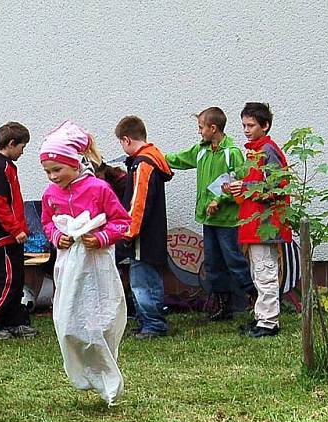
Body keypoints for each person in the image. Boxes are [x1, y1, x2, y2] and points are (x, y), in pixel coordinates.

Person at [39, 121, 132, 405]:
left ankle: (107, 376)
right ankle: (84, 371)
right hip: (69, 268)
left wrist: (102, 237)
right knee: (67, 321)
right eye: (48, 172)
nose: (53, 177)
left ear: (74, 162)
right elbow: (46, 222)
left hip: (97, 267)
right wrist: (57, 236)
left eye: (58, 169)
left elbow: (122, 222)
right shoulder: (50, 194)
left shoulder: (98, 189)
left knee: (99, 323)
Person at [166, 107, 256, 322]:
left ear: (213, 128)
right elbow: (179, 158)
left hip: (227, 219)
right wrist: (153, 156)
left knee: (233, 259)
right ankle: (223, 306)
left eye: (201, 127)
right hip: (208, 218)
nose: (199, 132)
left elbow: (239, 181)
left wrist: (220, 199)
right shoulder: (202, 150)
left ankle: (254, 297)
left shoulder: (231, 152)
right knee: (213, 263)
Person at [226, 102, 292, 337]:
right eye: (244, 124)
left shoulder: (268, 151)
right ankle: (261, 317)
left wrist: (244, 186)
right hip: (256, 225)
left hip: (266, 225)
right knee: (259, 273)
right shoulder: (254, 151)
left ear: (265, 125)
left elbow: (276, 187)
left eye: (251, 125)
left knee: (266, 273)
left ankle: (269, 322)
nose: (246, 129)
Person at [115, 116, 174, 339]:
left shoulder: (143, 165)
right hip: (150, 234)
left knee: (144, 282)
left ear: (127, 140)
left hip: (143, 236)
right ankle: (145, 321)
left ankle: (153, 324)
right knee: (145, 279)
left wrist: (128, 233)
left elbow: (138, 203)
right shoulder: (150, 161)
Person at [0, 122, 36, 339]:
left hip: (12, 238)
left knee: (17, 282)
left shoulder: (7, 167)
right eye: (22, 147)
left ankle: (14, 321)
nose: (22, 152)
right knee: (7, 283)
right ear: (11, 144)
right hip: (3, 238)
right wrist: (16, 230)